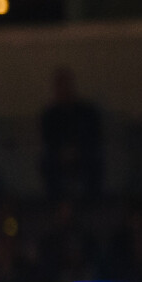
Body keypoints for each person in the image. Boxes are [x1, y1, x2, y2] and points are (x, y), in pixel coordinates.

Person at [37, 67, 103, 201]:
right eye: (60, 86)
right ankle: (56, 204)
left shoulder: (87, 111)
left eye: (66, 85)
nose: (64, 90)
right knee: (47, 163)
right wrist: (62, 152)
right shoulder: (50, 115)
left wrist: (77, 150)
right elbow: (48, 140)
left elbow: (93, 136)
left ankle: (92, 202)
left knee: (94, 161)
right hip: (58, 155)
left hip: (83, 152)